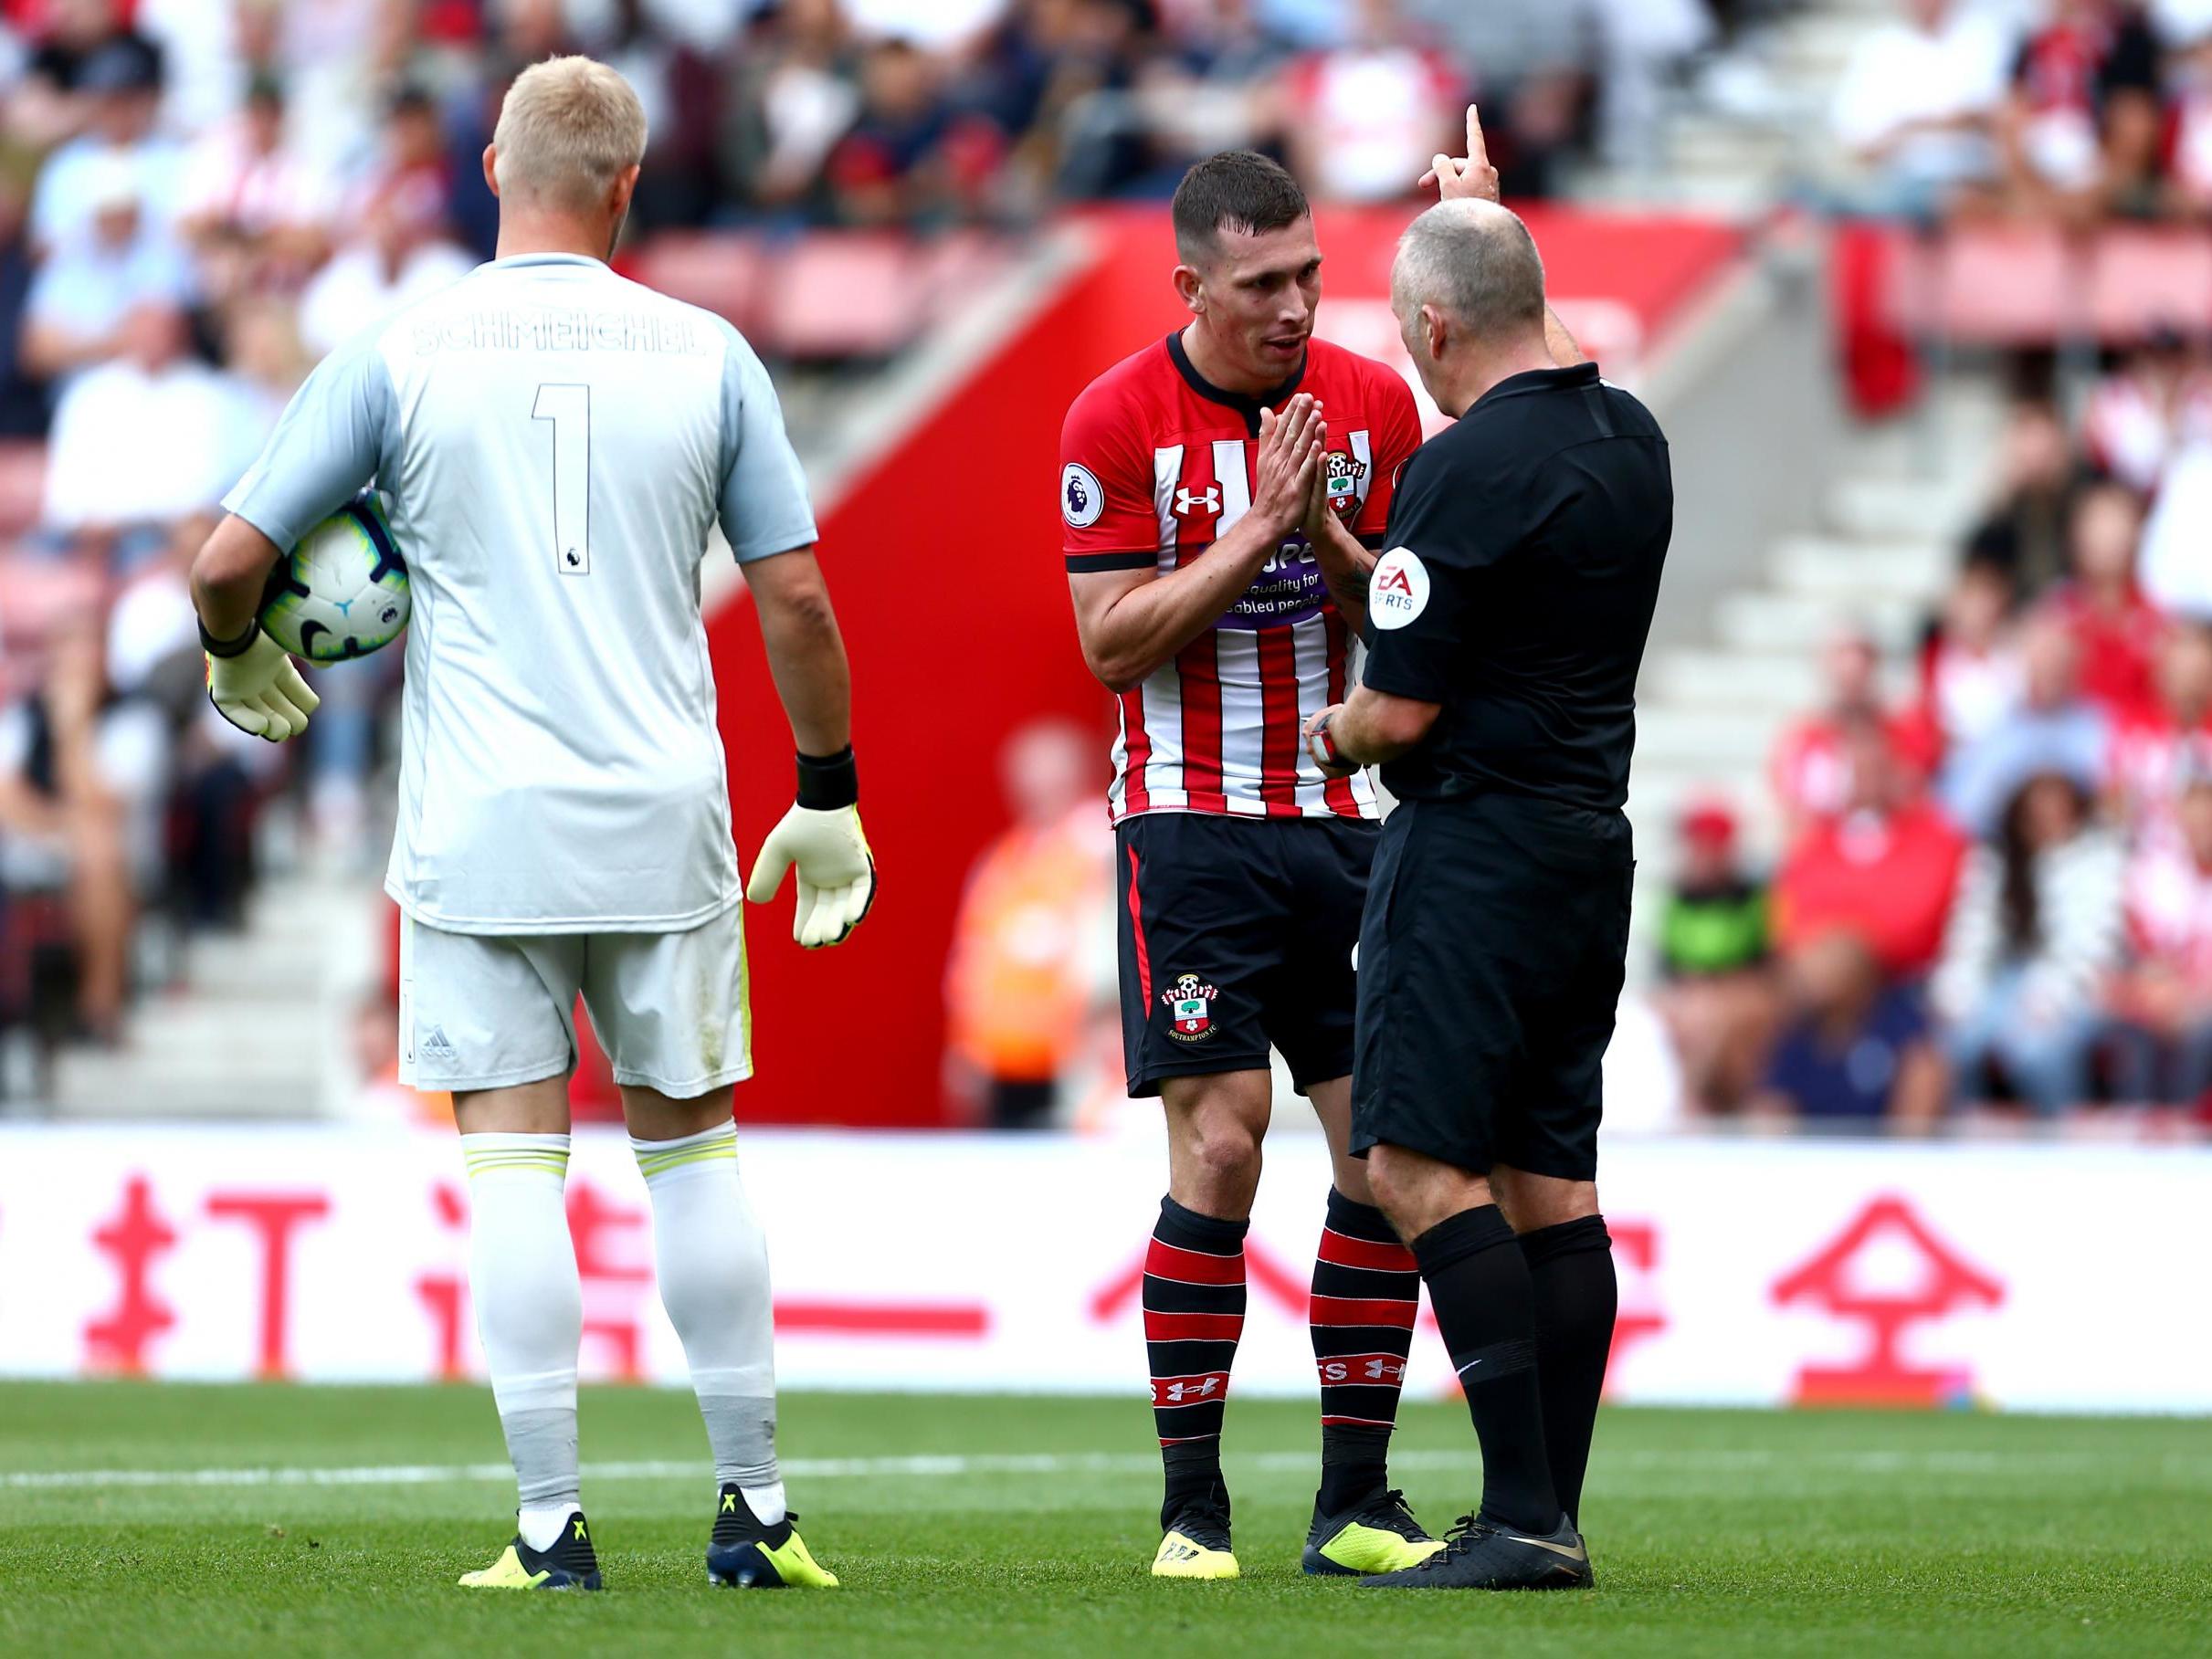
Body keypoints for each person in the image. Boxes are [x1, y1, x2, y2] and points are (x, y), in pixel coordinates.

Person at [187, 57, 872, 1594]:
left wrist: (243, 656)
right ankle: (755, 1510)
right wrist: (825, 794)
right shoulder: (710, 353)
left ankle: (552, 1527)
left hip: (483, 821)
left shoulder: (400, 347)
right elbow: (799, 598)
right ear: (629, 185)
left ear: (491, 166)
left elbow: (230, 561)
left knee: (515, 1164)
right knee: (692, 1154)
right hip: (660, 812)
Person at [1302, 110, 1670, 1592]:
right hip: (1587, 848)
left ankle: (1518, 1516)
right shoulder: (1625, 435)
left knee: (1410, 1160)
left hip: (1467, 855)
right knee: (1548, 1182)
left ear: (1431, 326)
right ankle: (1547, 1511)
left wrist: (1324, 738)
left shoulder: (1455, 475)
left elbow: (1394, 711)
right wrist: (1484, 215)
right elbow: (1540, 336)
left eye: (1412, 333)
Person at [1059, 148, 1438, 1581]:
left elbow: (1403, 623)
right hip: (1189, 823)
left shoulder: (1367, 404)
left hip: (1344, 819)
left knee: (1383, 1155)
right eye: (1260, 283)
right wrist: (1254, 533)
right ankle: (1191, 1509)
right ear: (1191, 285)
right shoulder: (1114, 418)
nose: (1293, 308)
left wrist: (1330, 537)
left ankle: (1354, 1501)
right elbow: (1109, 643)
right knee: (1222, 1141)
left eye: (1307, 277)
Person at [1932, 771, 2125, 1116]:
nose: (2048, 813)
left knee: (2037, 1053)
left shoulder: (2100, 856)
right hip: (2004, 985)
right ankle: (1965, 1144)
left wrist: (2049, 998)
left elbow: (2092, 948)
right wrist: (1958, 992)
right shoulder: (1996, 860)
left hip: (2079, 991)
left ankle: (2058, 1138)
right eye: (2038, 804)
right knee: (1954, 1046)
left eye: (2057, 801)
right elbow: (1971, 937)